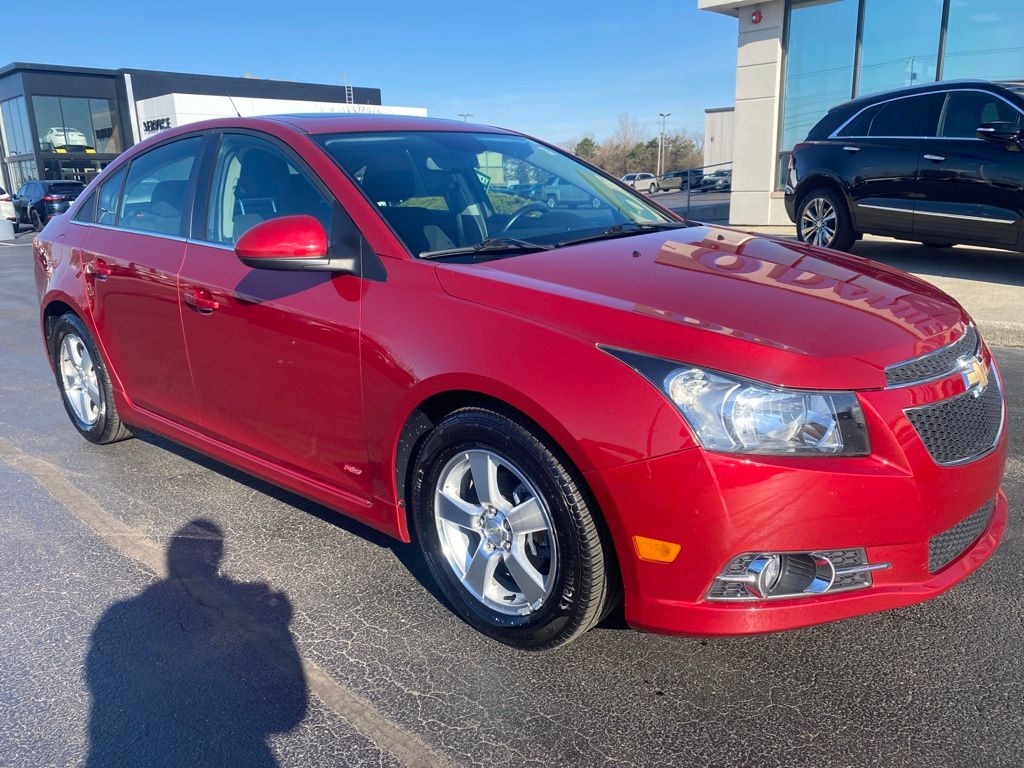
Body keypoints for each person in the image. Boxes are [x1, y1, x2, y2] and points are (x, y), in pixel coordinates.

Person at [85, 519, 308, 767]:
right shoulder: (129, 614)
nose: (212, 558)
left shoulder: (120, 612)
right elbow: (286, 718)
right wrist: (275, 625)